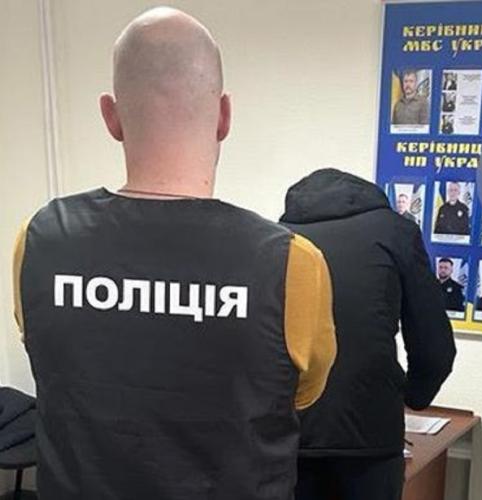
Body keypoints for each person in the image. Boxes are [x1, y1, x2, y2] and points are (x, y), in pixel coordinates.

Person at [11, 8, 336, 500]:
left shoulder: (38, 240)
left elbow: (49, 358)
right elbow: (300, 394)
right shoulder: (292, 264)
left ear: (111, 116)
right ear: (224, 116)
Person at [280, 168, 456, 500]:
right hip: (370, 431)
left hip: (290, 433)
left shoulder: (279, 238)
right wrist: (414, 397)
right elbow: (434, 347)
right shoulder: (396, 232)